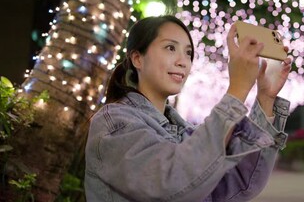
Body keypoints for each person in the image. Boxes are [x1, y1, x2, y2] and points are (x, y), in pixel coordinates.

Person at [84, 15, 292, 202]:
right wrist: (237, 89)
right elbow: (171, 184)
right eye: (170, 48)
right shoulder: (114, 123)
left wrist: (265, 98)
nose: (183, 61)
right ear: (137, 58)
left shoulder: (185, 131)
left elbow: (236, 184)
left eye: (188, 53)